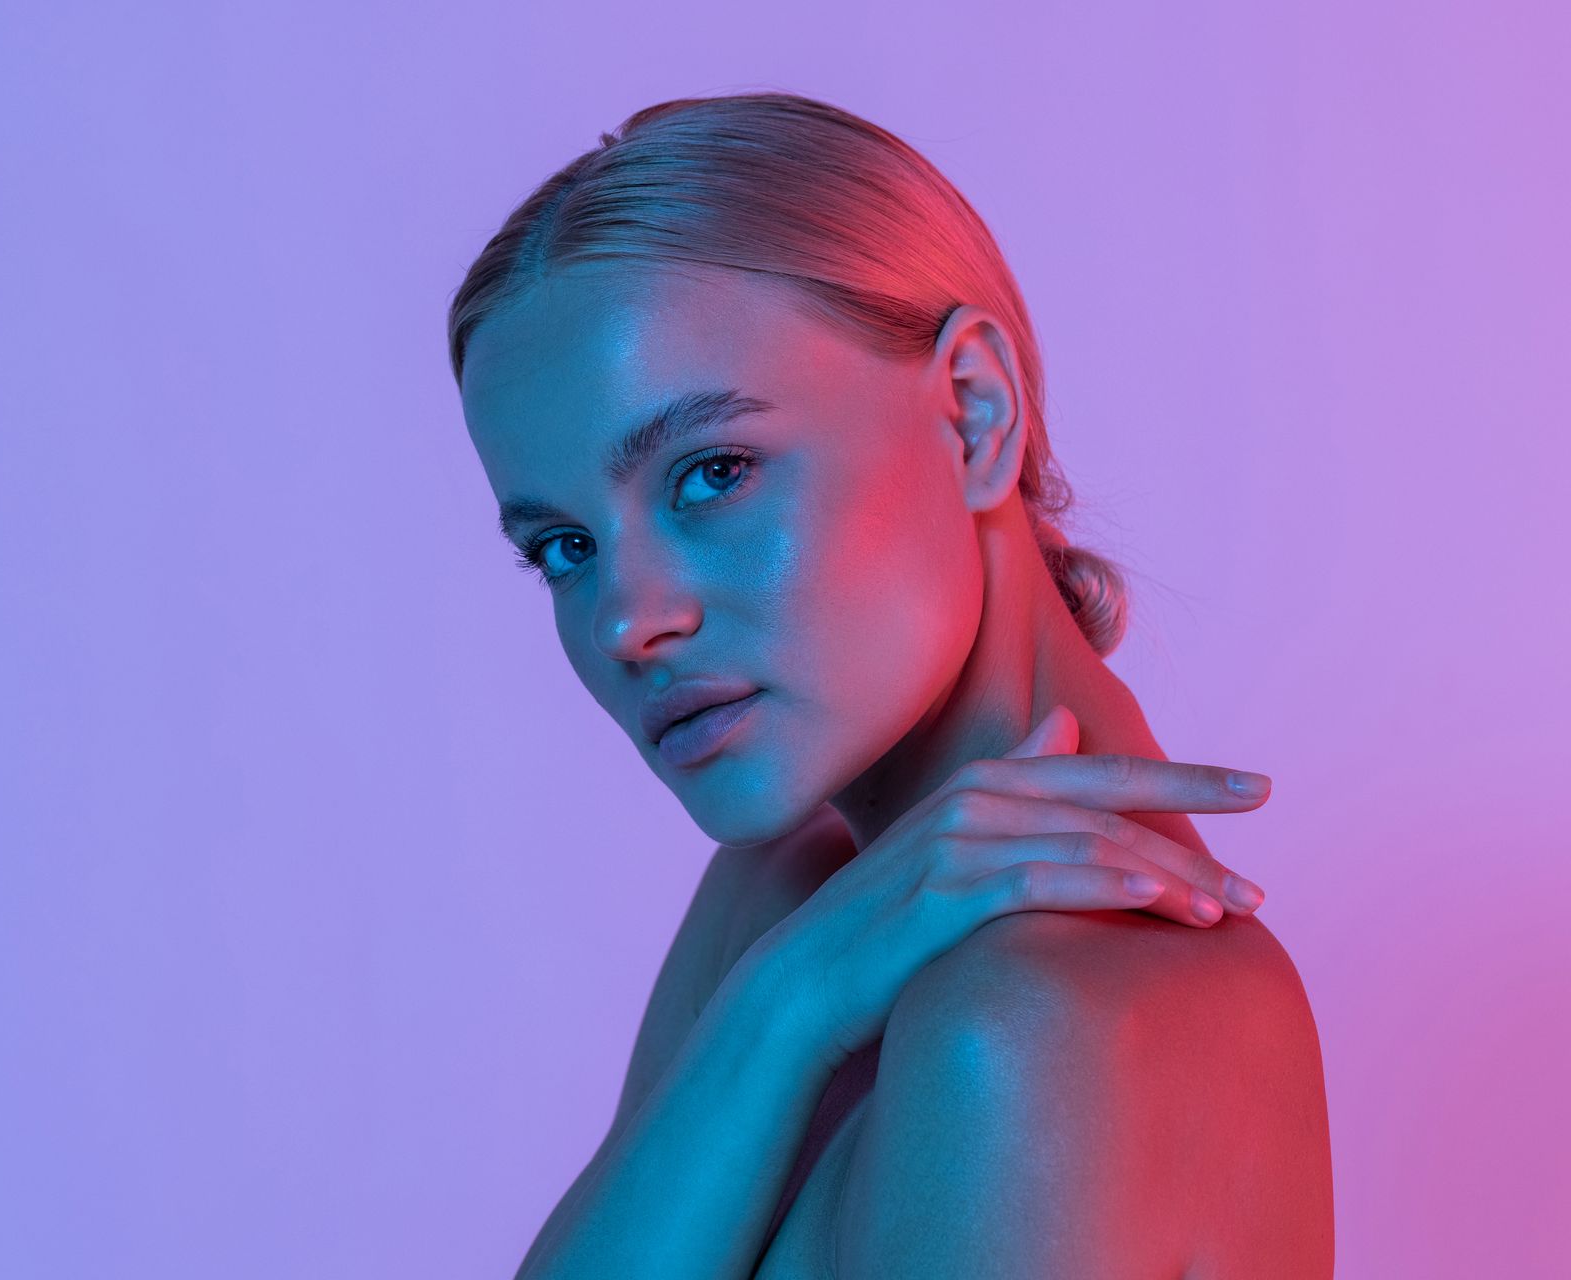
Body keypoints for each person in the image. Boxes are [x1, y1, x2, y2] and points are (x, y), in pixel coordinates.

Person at [447, 92, 1332, 1279]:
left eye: (712, 472)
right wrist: (787, 1002)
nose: (628, 619)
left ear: (974, 410)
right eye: (564, 546)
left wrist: (781, 999)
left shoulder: (1036, 1018)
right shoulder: (791, 897)